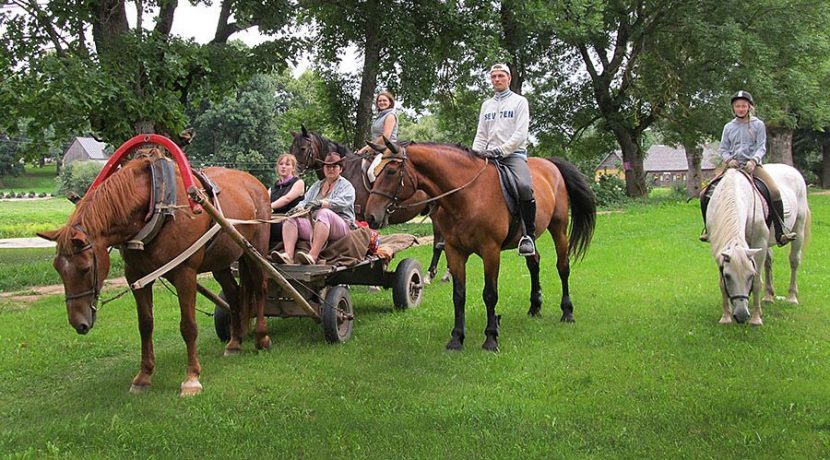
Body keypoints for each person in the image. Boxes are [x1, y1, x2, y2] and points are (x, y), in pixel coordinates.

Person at [699, 90, 796, 246]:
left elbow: (761, 146)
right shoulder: (728, 127)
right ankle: (709, 229)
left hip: (753, 166)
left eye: (744, 106)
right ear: (733, 108)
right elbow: (723, 148)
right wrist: (728, 160)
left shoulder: (758, 125)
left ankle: (780, 232)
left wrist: (753, 160)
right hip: (732, 166)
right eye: (737, 106)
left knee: (774, 191)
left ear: (749, 107)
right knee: (705, 193)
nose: (741, 109)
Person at [472, 63, 536, 256]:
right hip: (488, 156)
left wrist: (501, 150)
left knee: (524, 187)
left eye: (501, 76)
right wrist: (474, 154)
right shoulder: (487, 105)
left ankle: (528, 236)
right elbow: (481, 134)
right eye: (494, 77)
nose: (497, 79)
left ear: (509, 78)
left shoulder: (519, 102)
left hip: (513, 156)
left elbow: (520, 134)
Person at [274, 152, 356, 265]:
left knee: (324, 213)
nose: (330, 169)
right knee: (290, 217)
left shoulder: (346, 186)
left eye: (334, 166)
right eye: (327, 166)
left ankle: (312, 256)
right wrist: (298, 209)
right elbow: (305, 201)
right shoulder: (317, 185)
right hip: (316, 224)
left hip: (342, 226)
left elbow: (342, 202)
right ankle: (288, 256)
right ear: (323, 169)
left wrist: (321, 203)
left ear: (340, 169)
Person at [268, 153, 305, 244]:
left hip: (290, 221)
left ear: (293, 168)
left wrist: (269, 207)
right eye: (281, 164)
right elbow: (263, 201)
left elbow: (287, 199)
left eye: (287, 164)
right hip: (273, 219)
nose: (283, 167)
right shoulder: (273, 188)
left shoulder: (299, 183)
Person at [357, 91, 398, 155]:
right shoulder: (379, 117)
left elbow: (386, 137)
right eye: (379, 101)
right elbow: (375, 139)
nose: (382, 102)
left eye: (384, 100)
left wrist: (371, 147)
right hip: (377, 149)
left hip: (388, 150)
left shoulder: (390, 115)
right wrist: (361, 150)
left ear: (390, 102)